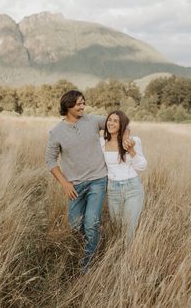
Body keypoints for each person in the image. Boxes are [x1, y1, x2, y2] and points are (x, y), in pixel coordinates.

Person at [45, 90, 131, 272]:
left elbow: (119, 121)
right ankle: (93, 241)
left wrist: (124, 137)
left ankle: (88, 264)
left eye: (83, 103)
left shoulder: (93, 121)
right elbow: (50, 161)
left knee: (91, 222)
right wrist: (65, 184)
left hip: (97, 180)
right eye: (78, 104)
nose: (82, 106)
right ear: (68, 106)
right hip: (74, 185)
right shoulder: (56, 132)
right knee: (75, 225)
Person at [100, 110, 147, 244]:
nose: (111, 123)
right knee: (116, 228)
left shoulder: (134, 141)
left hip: (132, 188)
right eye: (109, 120)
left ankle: (127, 260)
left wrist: (131, 150)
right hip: (112, 189)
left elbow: (142, 166)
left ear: (122, 125)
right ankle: (116, 255)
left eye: (116, 121)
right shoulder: (102, 142)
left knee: (129, 229)